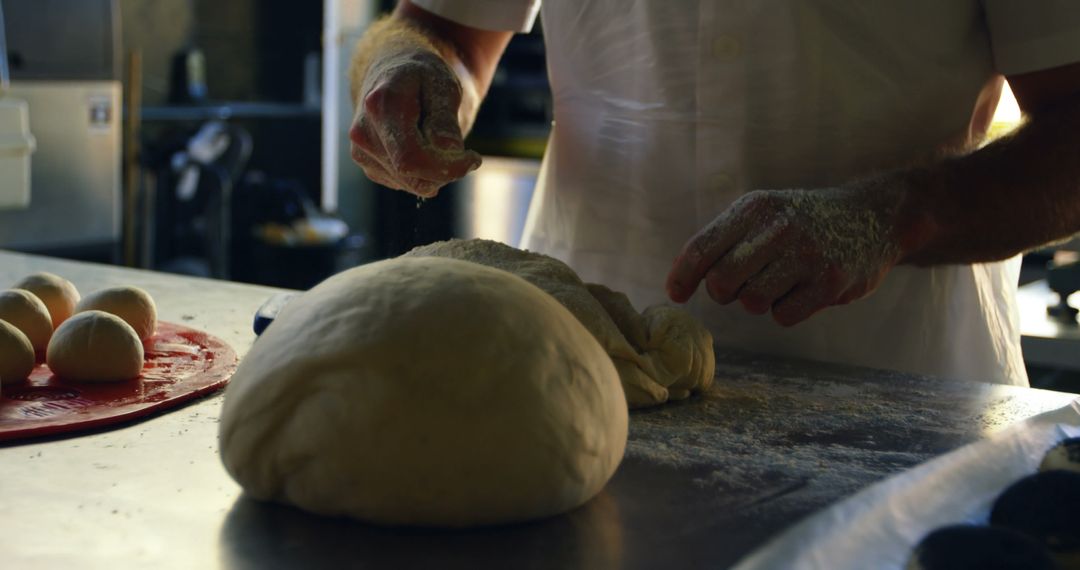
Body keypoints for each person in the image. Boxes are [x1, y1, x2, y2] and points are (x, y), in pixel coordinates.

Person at [348, 0, 1080, 386]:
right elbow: (435, 25)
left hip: (896, 398)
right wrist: (409, 67)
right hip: (582, 375)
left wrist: (889, 217)